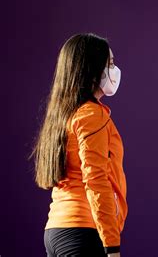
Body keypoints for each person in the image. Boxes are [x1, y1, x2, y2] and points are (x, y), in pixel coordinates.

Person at [32, 33, 127, 257]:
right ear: (91, 69)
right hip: (83, 232)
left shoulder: (63, 114)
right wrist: (112, 245)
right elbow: (95, 179)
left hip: (55, 230)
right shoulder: (91, 115)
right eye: (110, 64)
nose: (115, 70)